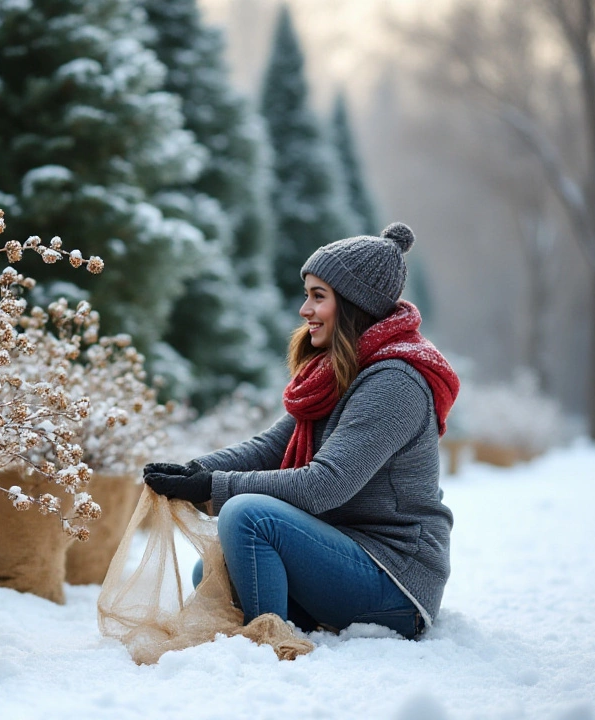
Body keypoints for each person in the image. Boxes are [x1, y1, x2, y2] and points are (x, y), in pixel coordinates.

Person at [143, 223, 459, 640]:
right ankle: (278, 628)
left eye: (318, 297)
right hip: (345, 552)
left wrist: (215, 487)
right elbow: (269, 448)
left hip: (394, 580)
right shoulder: (340, 371)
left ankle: (270, 647)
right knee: (216, 569)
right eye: (307, 294)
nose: (304, 309)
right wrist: (194, 472)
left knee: (245, 517)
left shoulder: (394, 382)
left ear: (352, 304)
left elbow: (326, 485)